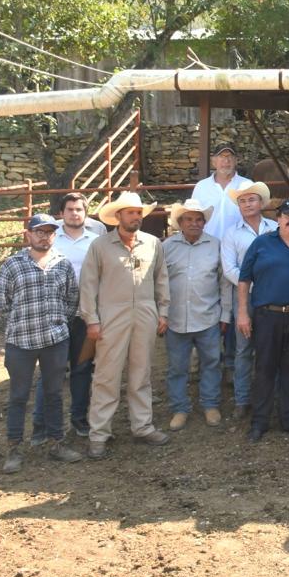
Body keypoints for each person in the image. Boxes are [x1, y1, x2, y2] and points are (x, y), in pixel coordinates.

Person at [80, 192, 171, 459]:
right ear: (118, 216)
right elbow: (88, 285)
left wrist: (162, 311)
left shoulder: (153, 244)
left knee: (141, 374)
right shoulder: (100, 246)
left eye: (138, 212)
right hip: (111, 318)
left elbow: (161, 279)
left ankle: (142, 426)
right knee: (106, 377)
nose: (136, 217)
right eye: (130, 212)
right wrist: (92, 319)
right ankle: (99, 434)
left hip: (145, 315)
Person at [0, 214, 84, 473]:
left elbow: (71, 299)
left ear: (55, 236)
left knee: (54, 394)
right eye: (39, 232)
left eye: (49, 232)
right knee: (18, 396)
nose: (44, 236)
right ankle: (14, 449)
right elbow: (0, 304)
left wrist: (59, 324)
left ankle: (56, 443)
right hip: (21, 342)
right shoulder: (12, 265)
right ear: (28, 234)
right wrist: (21, 322)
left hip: (55, 341)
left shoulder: (62, 264)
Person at [238, 198, 289, 442]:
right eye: (288, 215)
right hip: (267, 315)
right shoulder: (261, 243)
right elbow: (244, 279)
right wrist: (242, 312)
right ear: (278, 218)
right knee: (264, 368)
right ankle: (259, 422)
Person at [35, 192, 104, 441]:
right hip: (54, 315)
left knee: (82, 368)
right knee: (51, 370)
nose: (75, 213)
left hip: (85, 315)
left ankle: (78, 418)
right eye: (70, 209)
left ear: (85, 213)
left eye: (79, 209)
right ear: (61, 213)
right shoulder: (52, 241)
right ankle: (41, 426)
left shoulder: (96, 241)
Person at [162, 200, 230, 431]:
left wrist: (226, 314)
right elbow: (159, 283)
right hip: (175, 318)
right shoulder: (167, 247)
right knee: (177, 367)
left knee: (211, 363)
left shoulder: (216, 245)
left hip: (208, 316)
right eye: (189, 219)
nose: (194, 223)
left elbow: (224, 282)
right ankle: (180, 408)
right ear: (180, 222)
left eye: (198, 219)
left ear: (204, 222)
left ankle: (210, 405)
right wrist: (161, 314)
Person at [220, 181, 277, 421]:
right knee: (244, 349)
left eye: (251, 199)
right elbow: (229, 268)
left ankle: (269, 397)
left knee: (271, 346)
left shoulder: (275, 227)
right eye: (242, 201)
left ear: (261, 203)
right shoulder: (231, 233)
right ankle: (242, 399)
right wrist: (252, 284)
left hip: (273, 294)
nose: (247, 204)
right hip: (244, 294)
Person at [191, 142, 251, 241]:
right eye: (221, 156)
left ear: (236, 161)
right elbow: (193, 215)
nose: (226, 161)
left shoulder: (247, 185)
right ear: (214, 161)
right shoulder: (201, 186)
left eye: (230, 156)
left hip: (239, 244)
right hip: (208, 245)